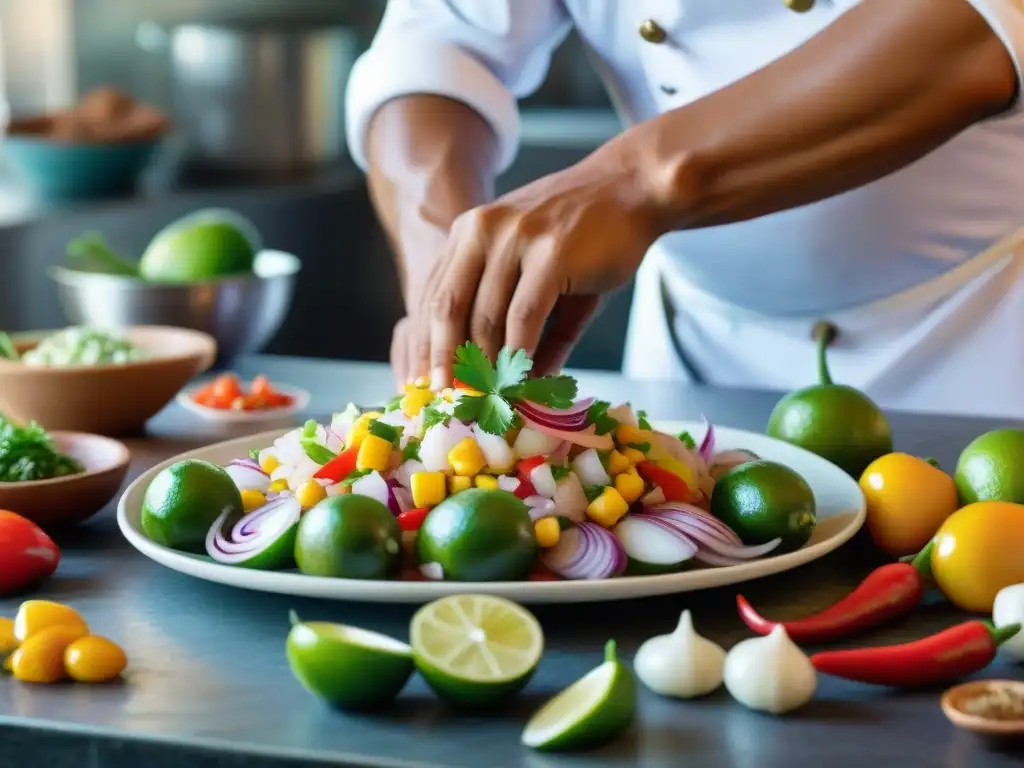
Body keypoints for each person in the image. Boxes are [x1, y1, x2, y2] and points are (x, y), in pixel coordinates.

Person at [346, 0, 1024, 419]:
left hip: (974, 349)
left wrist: (637, 181)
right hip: (691, 363)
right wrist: (452, 274)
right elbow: (436, 42)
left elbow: (981, 25)